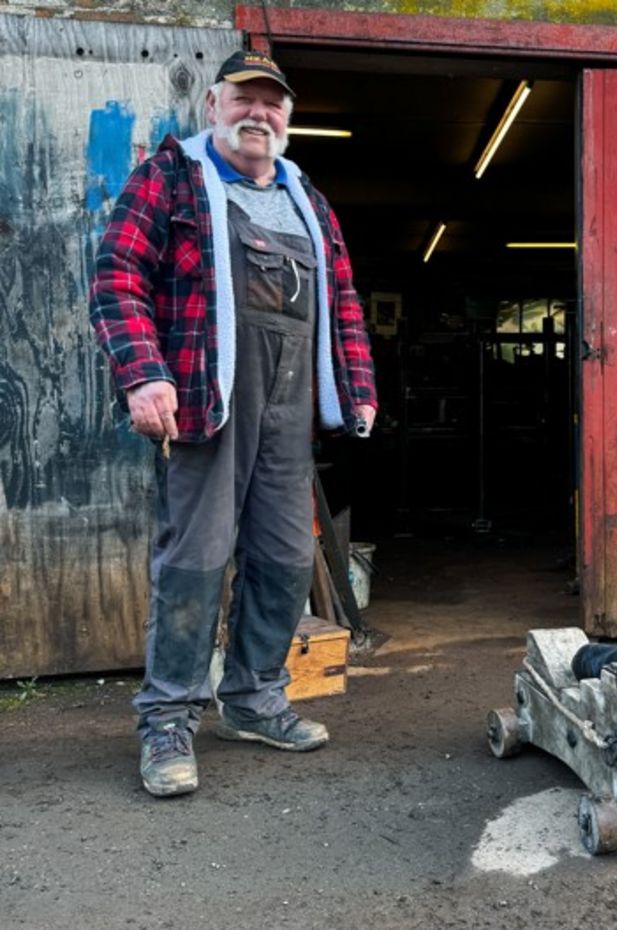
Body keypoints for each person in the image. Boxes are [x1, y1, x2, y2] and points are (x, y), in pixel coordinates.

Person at [89, 50, 377, 797]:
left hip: (289, 413)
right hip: (208, 403)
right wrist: (144, 373)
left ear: (287, 117)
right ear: (213, 104)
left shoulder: (308, 197)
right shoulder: (173, 176)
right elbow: (117, 276)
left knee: (284, 559)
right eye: (244, 100)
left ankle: (253, 699)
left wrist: (358, 388)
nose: (259, 114)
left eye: (272, 103)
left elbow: (342, 301)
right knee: (197, 560)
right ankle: (167, 720)